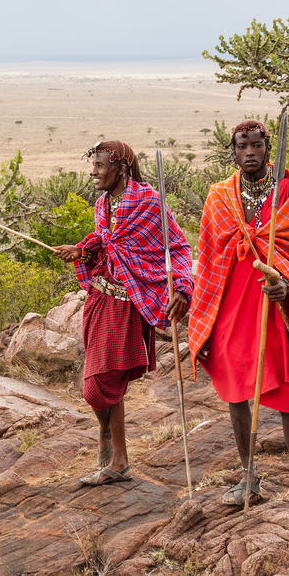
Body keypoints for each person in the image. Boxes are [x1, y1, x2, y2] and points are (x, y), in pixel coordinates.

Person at [187, 119, 289, 523]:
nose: (249, 152)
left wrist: (285, 284)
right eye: (241, 146)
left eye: (256, 145)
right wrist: (193, 302)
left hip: (273, 308)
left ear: (268, 149)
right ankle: (248, 476)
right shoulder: (219, 196)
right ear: (232, 152)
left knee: (288, 395)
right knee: (236, 392)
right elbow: (209, 254)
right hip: (231, 305)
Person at [54, 140, 194, 486]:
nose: (94, 172)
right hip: (99, 299)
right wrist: (81, 250)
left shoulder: (149, 202)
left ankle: (116, 457)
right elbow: (105, 243)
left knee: (103, 383)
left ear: (122, 168)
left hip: (129, 301)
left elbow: (176, 247)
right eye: (94, 165)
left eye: (100, 166)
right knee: (99, 383)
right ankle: (117, 455)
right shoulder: (103, 203)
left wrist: (182, 288)